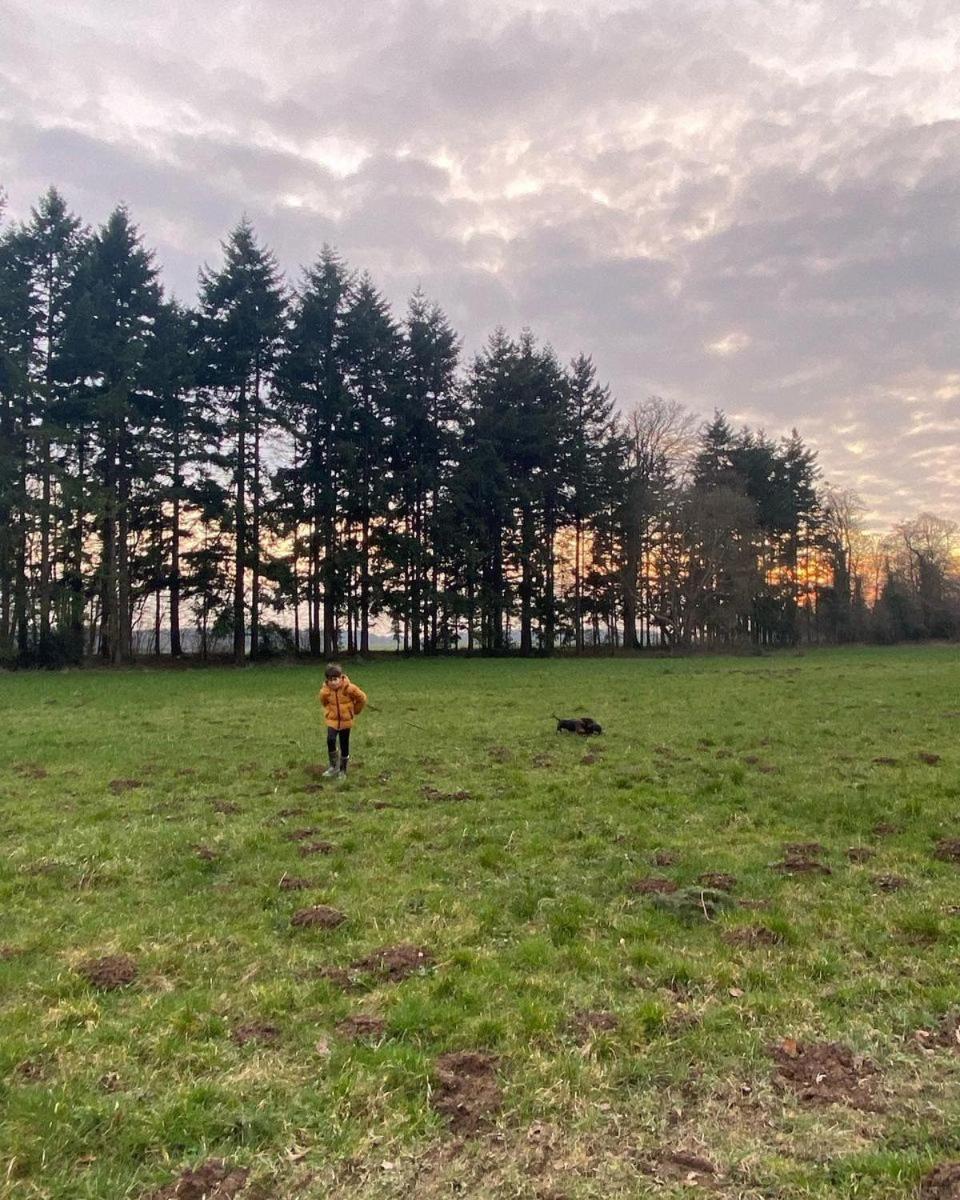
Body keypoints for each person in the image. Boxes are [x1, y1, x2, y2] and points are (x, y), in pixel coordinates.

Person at [318, 663, 367, 779]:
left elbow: (362, 698)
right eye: (330, 680)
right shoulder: (325, 691)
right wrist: (329, 712)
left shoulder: (349, 688)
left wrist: (354, 711)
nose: (333, 682)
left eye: (335, 679)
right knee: (330, 739)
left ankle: (343, 770)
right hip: (332, 720)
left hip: (346, 722)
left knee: (344, 745)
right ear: (327, 681)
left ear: (340, 678)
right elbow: (324, 702)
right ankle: (333, 766)